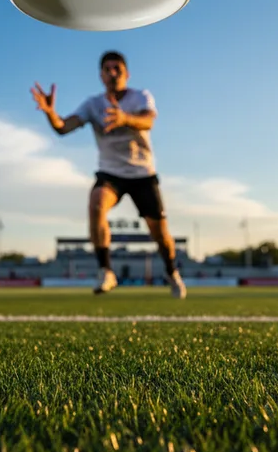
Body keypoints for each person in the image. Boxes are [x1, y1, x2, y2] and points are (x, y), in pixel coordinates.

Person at [31, 50, 186, 298]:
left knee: (160, 234)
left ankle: (171, 271)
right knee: (96, 204)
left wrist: (125, 118)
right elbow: (63, 128)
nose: (113, 73)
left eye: (118, 69)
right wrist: (50, 113)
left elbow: (148, 121)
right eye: (107, 69)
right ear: (101, 75)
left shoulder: (140, 97)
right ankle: (106, 271)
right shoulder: (93, 104)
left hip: (142, 172)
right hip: (110, 172)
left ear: (127, 73)